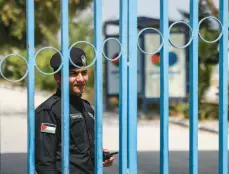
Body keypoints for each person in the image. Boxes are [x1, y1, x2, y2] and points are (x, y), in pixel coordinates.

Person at [35, 47, 114, 174]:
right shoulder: (49, 111)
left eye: (83, 73)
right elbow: (44, 165)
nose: (81, 79)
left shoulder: (87, 108)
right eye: (73, 74)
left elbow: (81, 153)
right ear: (58, 77)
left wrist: (100, 157)